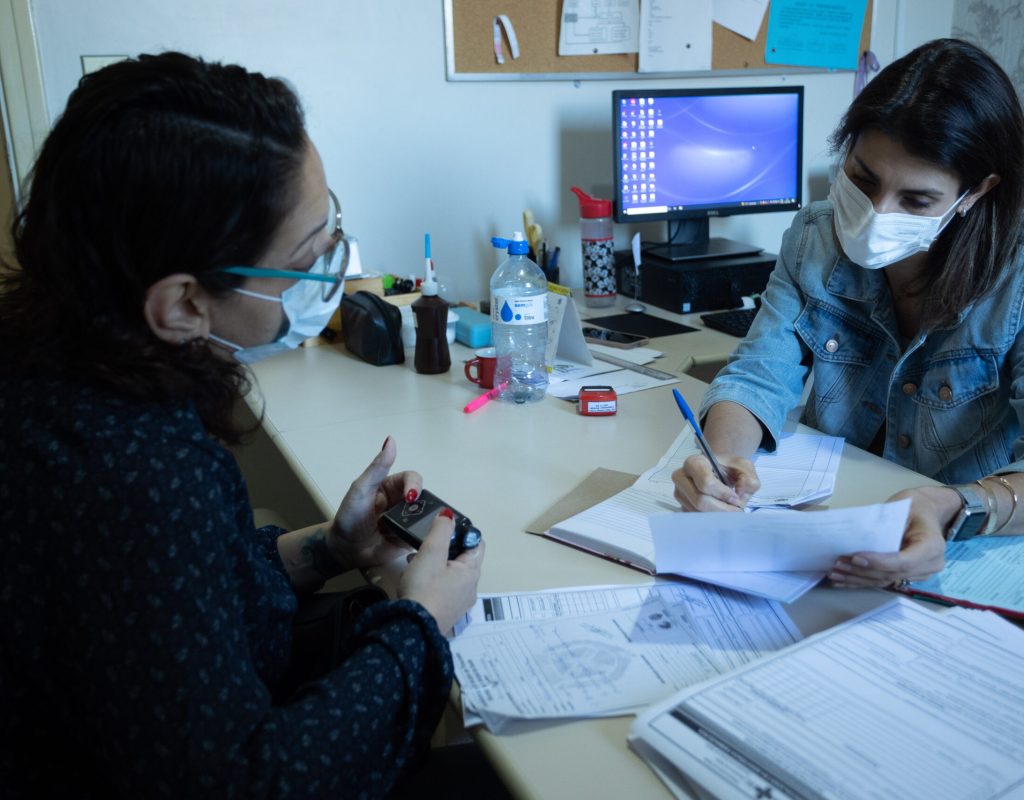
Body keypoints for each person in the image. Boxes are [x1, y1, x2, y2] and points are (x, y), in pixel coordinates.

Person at [0, 52, 494, 798]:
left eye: (331, 231)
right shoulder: (134, 471)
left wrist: (329, 548)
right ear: (182, 305)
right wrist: (421, 625)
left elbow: (165, 605)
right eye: (308, 257)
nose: (333, 265)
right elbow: (243, 782)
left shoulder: (58, 371)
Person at [673, 39, 1024, 588]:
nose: (875, 215)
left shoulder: (1017, 280)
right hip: (832, 533)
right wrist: (722, 461)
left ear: (975, 193)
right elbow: (758, 373)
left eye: (917, 201)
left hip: (971, 552)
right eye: (863, 180)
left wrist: (957, 508)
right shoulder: (814, 237)